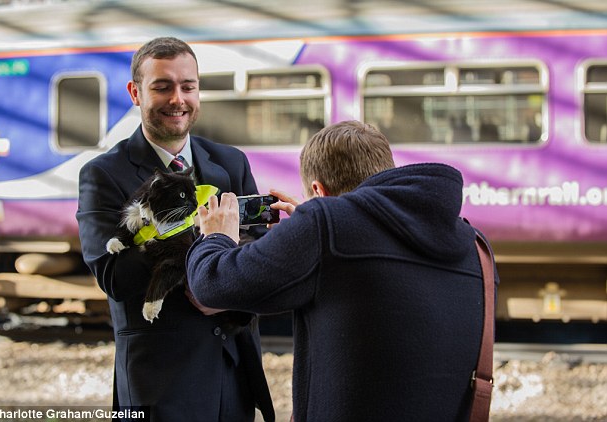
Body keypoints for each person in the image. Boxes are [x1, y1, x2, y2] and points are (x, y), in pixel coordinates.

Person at [186, 120, 499, 421]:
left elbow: (212, 283)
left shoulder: (325, 226)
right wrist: (312, 232)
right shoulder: (476, 247)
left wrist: (217, 234)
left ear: (318, 190)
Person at [76, 37, 274, 421]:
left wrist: (228, 295)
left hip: (234, 373)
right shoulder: (102, 174)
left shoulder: (230, 162)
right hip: (159, 386)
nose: (177, 99)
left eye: (188, 86)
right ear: (135, 93)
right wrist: (204, 244)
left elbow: (260, 251)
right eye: (162, 86)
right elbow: (113, 275)